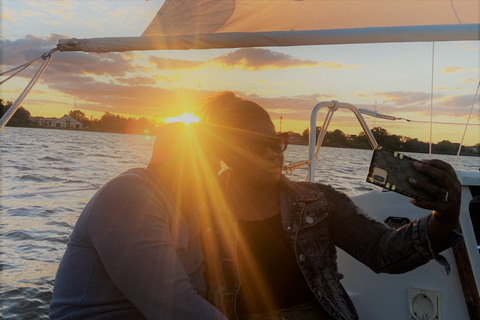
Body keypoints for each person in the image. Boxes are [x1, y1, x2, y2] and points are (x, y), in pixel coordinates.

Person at [199, 92, 463, 320]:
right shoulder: (196, 208)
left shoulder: (318, 201)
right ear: (224, 151)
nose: (272, 153)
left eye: (276, 143)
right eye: (258, 145)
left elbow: (383, 251)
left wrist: (443, 218)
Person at [50, 122, 227, 320]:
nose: (217, 169)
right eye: (211, 160)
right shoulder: (129, 195)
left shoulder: (189, 209)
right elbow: (174, 306)